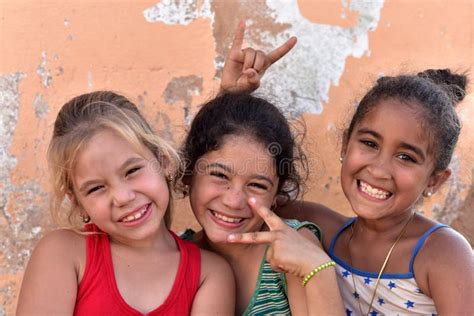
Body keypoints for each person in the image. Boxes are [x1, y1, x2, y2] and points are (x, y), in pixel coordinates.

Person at [223, 39, 473, 314]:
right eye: (369, 143)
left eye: (406, 157)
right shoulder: (318, 227)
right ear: (345, 145)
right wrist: (230, 98)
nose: (379, 169)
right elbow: (238, 195)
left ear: (434, 180)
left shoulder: (442, 254)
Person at [16, 91, 235, 315]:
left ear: (163, 161)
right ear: (78, 203)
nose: (122, 197)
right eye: (96, 188)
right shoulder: (62, 253)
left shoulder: (208, 274)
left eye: (132, 171)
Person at [180, 92, 344, 315]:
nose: (233, 201)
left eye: (257, 185)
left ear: (277, 192)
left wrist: (317, 270)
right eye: (219, 175)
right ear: (189, 172)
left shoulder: (292, 248)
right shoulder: (175, 256)